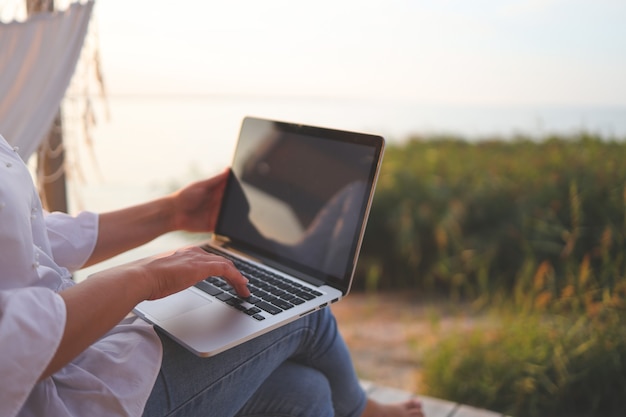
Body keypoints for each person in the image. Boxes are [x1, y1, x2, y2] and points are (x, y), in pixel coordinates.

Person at [0, 134, 424, 417]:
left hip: (82, 352)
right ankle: (363, 410)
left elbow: (29, 239)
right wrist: (143, 277)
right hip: (56, 398)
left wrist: (172, 212)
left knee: (307, 393)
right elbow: (12, 346)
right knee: (308, 314)